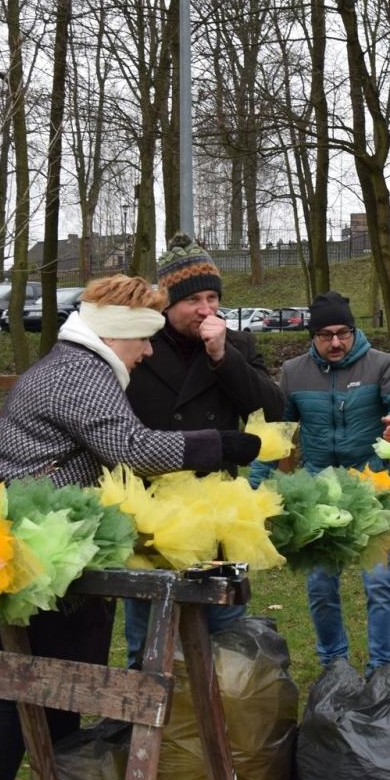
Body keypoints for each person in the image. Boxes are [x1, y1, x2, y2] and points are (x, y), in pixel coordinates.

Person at [0, 274, 262, 780]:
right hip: (31, 557)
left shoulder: (78, 363)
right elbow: (132, 448)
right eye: (144, 339)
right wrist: (219, 444)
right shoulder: (80, 372)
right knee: (16, 697)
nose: (149, 350)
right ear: (118, 333)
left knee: (58, 694)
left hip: (50, 552)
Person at [121, 235, 284, 666]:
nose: (206, 309)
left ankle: (221, 722)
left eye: (213, 297)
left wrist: (222, 356)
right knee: (148, 633)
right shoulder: (138, 347)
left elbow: (273, 408)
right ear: (167, 304)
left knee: (223, 630)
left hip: (216, 511)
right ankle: (143, 724)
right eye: (193, 298)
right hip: (152, 512)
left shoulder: (237, 346)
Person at [257, 290, 390, 673]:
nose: (336, 342)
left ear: (354, 330)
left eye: (343, 332)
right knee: (320, 587)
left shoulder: (381, 364)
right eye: (326, 335)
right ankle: (334, 664)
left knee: (379, 584)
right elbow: (276, 433)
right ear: (312, 336)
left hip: (372, 491)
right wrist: (259, 488)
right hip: (319, 494)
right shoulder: (293, 372)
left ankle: (381, 669)